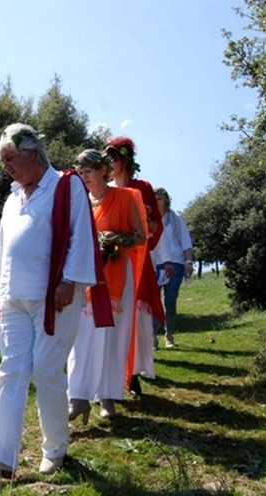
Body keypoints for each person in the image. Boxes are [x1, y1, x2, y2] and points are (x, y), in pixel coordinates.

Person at [0, 123, 99, 476]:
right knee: (11, 371)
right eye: (2, 159)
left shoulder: (67, 185)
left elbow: (81, 235)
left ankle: (55, 450)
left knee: (46, 370)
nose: (6, 165)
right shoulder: (11, 198)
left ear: (32, 154)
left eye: (10, 158)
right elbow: (5, 251)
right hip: (13, 298)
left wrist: (69, 280)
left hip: (55, 297)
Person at [67, 150, 147, 421]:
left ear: (103, 170)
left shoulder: (125, 197)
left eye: (88, 170)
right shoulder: (78, 202)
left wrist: (116, 239)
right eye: (80, 172)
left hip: (116, 281)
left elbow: (140, 236)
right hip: (85, 279)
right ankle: (77, 397)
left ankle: (107, 398)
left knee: (111, 339)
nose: (84, 176)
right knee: (80, 337)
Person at [104, 136, 164, 395]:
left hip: (135, 260)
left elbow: (154, 226)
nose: (110, 162)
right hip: (108, 262)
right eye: (107, 157)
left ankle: (132, 372)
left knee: (135, 315)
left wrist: (143, 223)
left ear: (125, 160)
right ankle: (108, 372)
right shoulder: (103, 189)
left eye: (114, 157)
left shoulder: (142, 187)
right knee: (110, 315)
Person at [152, 187, 194, 348]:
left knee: (170, 299)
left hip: (175, 262)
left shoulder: (175, 220)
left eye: (160, 199)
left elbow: (186, 242)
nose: (157, 202)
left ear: (166, 201)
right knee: (154, 299)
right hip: (155, 263)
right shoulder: (150, 219)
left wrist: (188, 262)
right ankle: (152, 336)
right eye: (154, 199)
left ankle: (169, 335)